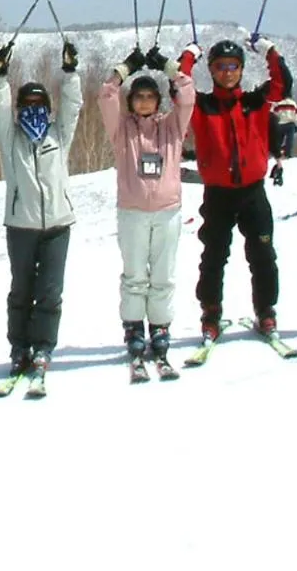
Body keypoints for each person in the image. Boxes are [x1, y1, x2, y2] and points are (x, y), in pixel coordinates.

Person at [179, 35, 292, 339]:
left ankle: (266, 311)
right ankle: (211, 313)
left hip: (253, 193)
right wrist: (189, 56)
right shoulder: (202, 106)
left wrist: (269, 49)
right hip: (218, 195)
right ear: (212, 71)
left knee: (263, 254)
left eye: (233, 66)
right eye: (219, 67)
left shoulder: (255, 102)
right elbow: (179, 86)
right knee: (214, 255)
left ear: (241, 70)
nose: (227, 72)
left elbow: (283, 82)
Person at [0, 40, 83, 380]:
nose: (32, 108)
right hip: (21, 225)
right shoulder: (10, 138)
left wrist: (70, 72)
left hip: (58, 224)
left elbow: (73, 107)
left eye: (38, 102)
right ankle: (19, 347)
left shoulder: (58, 134)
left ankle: (43, 346)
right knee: (22, 289)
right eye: (26, 103)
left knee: (50, 291)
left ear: (46, 105)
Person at [98, 44, 194, 364]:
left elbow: (188, 93)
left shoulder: (172, 127)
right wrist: (125, 69)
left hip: (167, 212)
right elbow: (106, 95)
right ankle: (134, 328)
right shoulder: (122, 130)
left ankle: (160, 327)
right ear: (131, 101)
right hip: (133, 213)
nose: (144, 101)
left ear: (158, 100)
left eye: (150, 96)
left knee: (163, 275)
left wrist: (167, 66)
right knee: (135, 275)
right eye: (138, 96)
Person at [268, 97, 297, 187]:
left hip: (280, 124)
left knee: (277, 142)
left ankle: (278, 154)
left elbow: (272, 114)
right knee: (289, 140)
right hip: (290, 124)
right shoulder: (292, 103)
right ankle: (287, 152)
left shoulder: (277, 103)